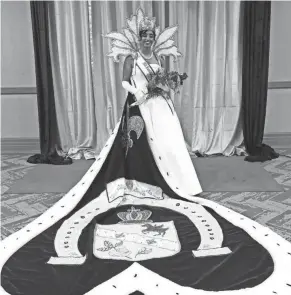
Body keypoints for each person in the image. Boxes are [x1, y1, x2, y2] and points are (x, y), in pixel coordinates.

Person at [1, 7, 290, 295]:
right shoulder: (132, 58)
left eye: (151, 37)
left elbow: (163, 78)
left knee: (169, 144)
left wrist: (165, 86)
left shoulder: (159, 57)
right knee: (142, 146)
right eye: (145, 37)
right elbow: (125, 82)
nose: (149, 40)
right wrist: (139, 92)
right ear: (139, 39)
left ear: (155, 39)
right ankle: (145, 176)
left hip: (160, 105)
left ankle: (178, 182)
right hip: (139, 106)